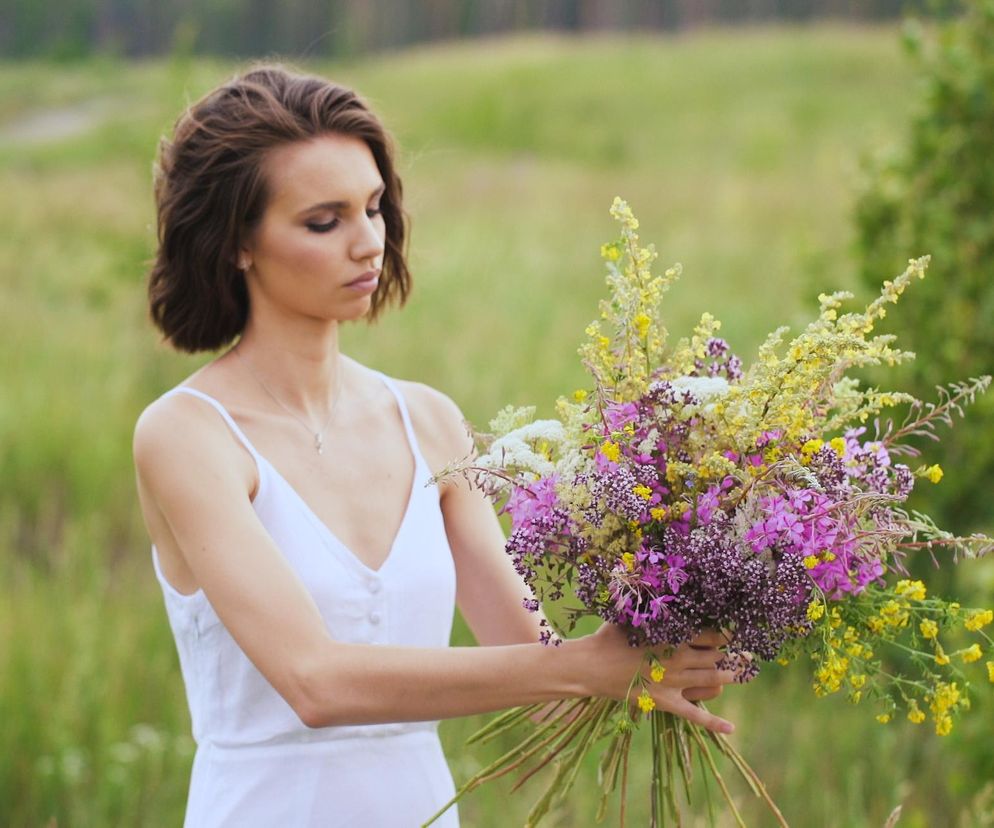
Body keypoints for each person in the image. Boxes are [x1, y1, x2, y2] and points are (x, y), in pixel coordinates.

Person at [133, 64, 738, 828]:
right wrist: (585, 668)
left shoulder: (428, 422)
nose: (368, 242)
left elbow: (546, 679)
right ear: (238, 243)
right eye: (324, 222)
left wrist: (677, 624)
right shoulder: (187, 435)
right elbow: (315, 683)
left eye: (375, 207)